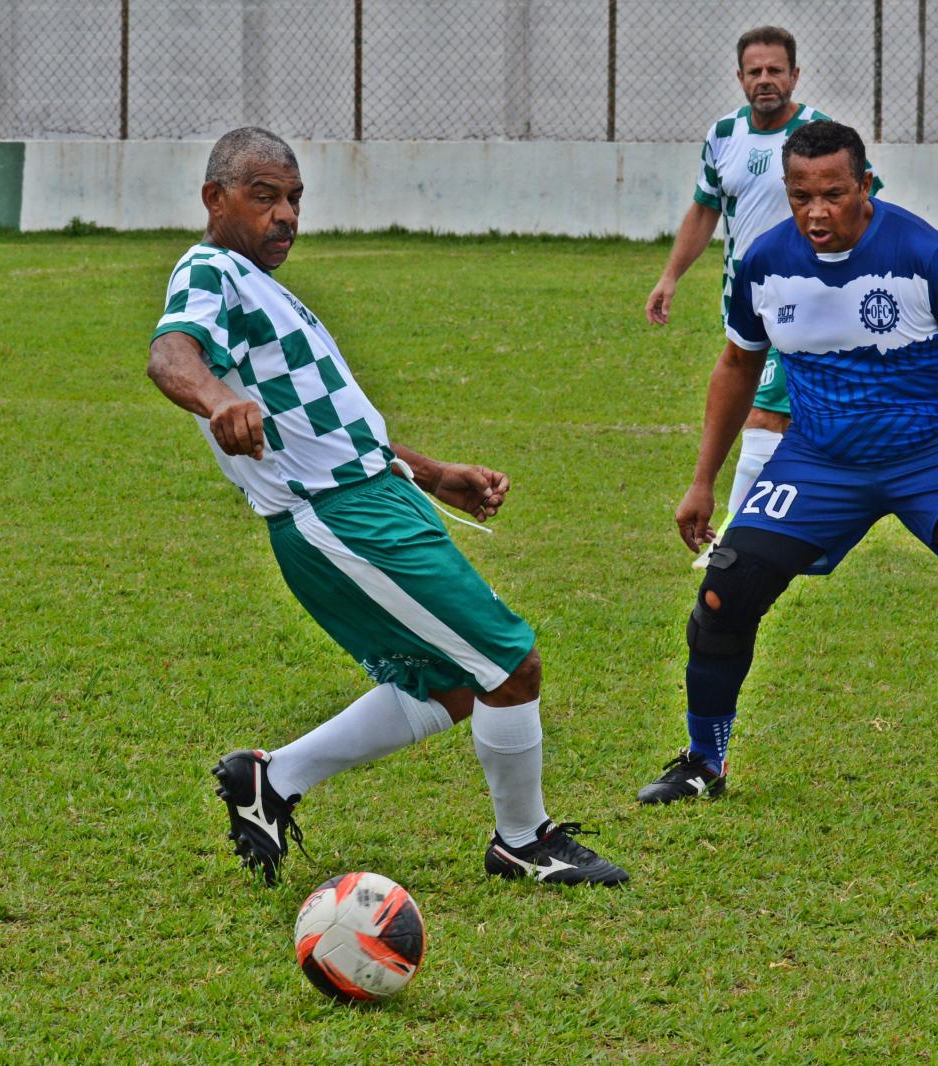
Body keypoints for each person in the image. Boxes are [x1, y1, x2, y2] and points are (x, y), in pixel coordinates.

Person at [146, 128, 628, 887]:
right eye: (264, 197)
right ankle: (523, 841)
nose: (286, 217)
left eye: (295, 199)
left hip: (375, 499)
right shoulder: (211, 269)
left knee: (453, 682)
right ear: (216, 199)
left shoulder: (263, 287)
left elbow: (330, 426)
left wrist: (433, 474)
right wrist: (217, 401)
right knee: (510, 662)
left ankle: (273, 779)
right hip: (343, 519)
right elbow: (171, 354)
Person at [635, 121, 938, 827]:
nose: (815, 212)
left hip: (932, 450)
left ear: (866, 186)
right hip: (819, 459)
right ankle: (705, 760)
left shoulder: (924, 256)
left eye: (833, 193)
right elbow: (737, 367)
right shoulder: (764, 265)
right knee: (725, 592)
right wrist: (703, 480)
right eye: (800, 196)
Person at [644, 25, 881, 567]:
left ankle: (734, 540)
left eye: (776, 70)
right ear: (740, 78)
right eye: (755, 71)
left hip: (806, 305)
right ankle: (803, 522)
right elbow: (706, 209)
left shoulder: (821, 134)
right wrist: (671, 275)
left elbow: (867, 205)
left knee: (762, 416)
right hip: (744, 304)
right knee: (798, 420)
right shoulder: (723, 133)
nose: (766, 80)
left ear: (795, 75)